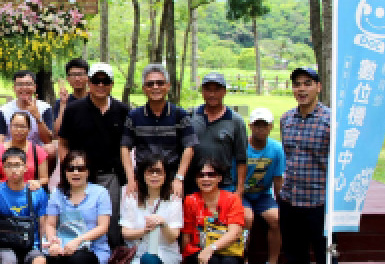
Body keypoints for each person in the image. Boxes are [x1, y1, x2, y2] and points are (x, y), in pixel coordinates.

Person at [265, 67, 341, 264]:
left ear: (318, 87)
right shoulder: (287, 119)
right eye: (297, 84)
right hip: (291, 199)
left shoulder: (331, 120)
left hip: (320, 202)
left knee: (326, 259)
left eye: (307, 83)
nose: (301, 89)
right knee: (294, 256)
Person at [57, 62, 129, 248]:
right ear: (89, 82)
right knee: (80, 219)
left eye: (105, 81)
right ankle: (79, 254)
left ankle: (111, 259)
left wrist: (130, 177)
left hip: (111, 175)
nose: (100, 85)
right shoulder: (74, 110)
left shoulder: (122, 111)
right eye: (96, 81)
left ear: (112, 84)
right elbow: (63, 142)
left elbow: (128, 147)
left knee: (111, 221)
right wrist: (68, 169)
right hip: (81, 174)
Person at [43, 150, 111, 264]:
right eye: (70, 168)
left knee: (78, 260)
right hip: (65, 248)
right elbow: (50, 224)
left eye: (81, 168)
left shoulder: (100, 193)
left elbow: (103, 227)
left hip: (93, 249)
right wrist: (53, 241)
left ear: (88, 171)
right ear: (64, 171)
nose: (75, 172)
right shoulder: (58, 193)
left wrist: (79, 241)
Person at [179, 159, 245, 264]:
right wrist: (184, 263)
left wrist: (211, 248)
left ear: (219, 178)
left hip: (227, 250)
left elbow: (235, 232)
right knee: (210, 263)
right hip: (198, 251)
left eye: (211, 174)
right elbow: (186, 234)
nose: (206, 179)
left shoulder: (232, 199)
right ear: (196, 179)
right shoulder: (190, 200)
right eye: (201, 175)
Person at [119, 152, 182, 264]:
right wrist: (144, 230)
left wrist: (163, 224)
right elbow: (125, 233)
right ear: (143, 175)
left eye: (158, 172)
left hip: (165, 252)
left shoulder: (173, 199)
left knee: (149, 259)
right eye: (150, 172)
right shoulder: (132, 197)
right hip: (139, 252)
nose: (154, 176)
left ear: (165, 175)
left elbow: (173, 236)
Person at [121, 63, 197, 199]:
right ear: (144, 89)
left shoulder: (180, 115)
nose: (155, 87)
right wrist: (131, 178)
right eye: (150, 84)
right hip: (143, 181)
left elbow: (189, 147)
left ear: (168, 86)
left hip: (171, 181)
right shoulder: (134, 116)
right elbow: (125, 147)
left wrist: (179, 178)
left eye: (160, 83)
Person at [243, 107, 285, 264]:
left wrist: (281, 203)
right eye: (257, 125)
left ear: (271, 127)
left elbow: (278, 179)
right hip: (242, 193)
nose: (260, 129)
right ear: (250, 126)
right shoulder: (242, 147)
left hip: (263, 194)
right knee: (246, 218)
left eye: (264, 125)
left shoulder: (277, 148)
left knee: (277, 219)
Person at [190, 72, 248, 194]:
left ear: (224, 92)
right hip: (194, 183)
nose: (212, 94)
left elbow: (241, 159)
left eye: (216, 90)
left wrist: (239, 189)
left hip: (224, 184)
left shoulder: (236, 121)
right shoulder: (191, 116)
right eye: (208, 90)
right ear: (202, 91)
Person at [0, 70, 55, 157]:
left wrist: (38, 117)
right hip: (11, 152)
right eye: (20, 84)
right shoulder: (4, 110)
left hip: (36, 152)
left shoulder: (45, 108)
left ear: (35, 87)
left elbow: (48, 141)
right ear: (14, 88)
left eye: (28, 84)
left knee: (50, 149)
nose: (24, 88)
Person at [0, 112, 49, 190]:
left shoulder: (38, 151)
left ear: (29, 129)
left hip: (29, 191)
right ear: (10, 127)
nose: (18, 130)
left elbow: (44, 178)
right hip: (4, 192)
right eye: (15, 126)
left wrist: (37, 183)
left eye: (23, 126)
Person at [52, 58, 90, 134]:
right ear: (68, 79)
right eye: (73, 75)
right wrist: (63, 104)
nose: (77, 79)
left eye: (80, 74)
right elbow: (58, 131)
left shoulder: (94, 100)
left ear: (87, 77)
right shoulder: (61, 102)